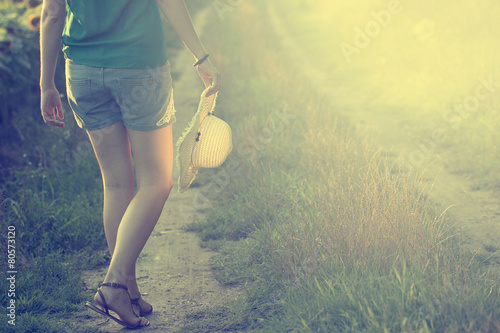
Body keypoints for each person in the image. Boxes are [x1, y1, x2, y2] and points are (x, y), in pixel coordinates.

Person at [39, 0, 221, 328]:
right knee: (157, 181)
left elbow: (53, 12)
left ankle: (129, 291)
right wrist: (201, 56)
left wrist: (45, 84)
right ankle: (113, 285)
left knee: (117, 183)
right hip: (139, 68)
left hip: (82, 71)